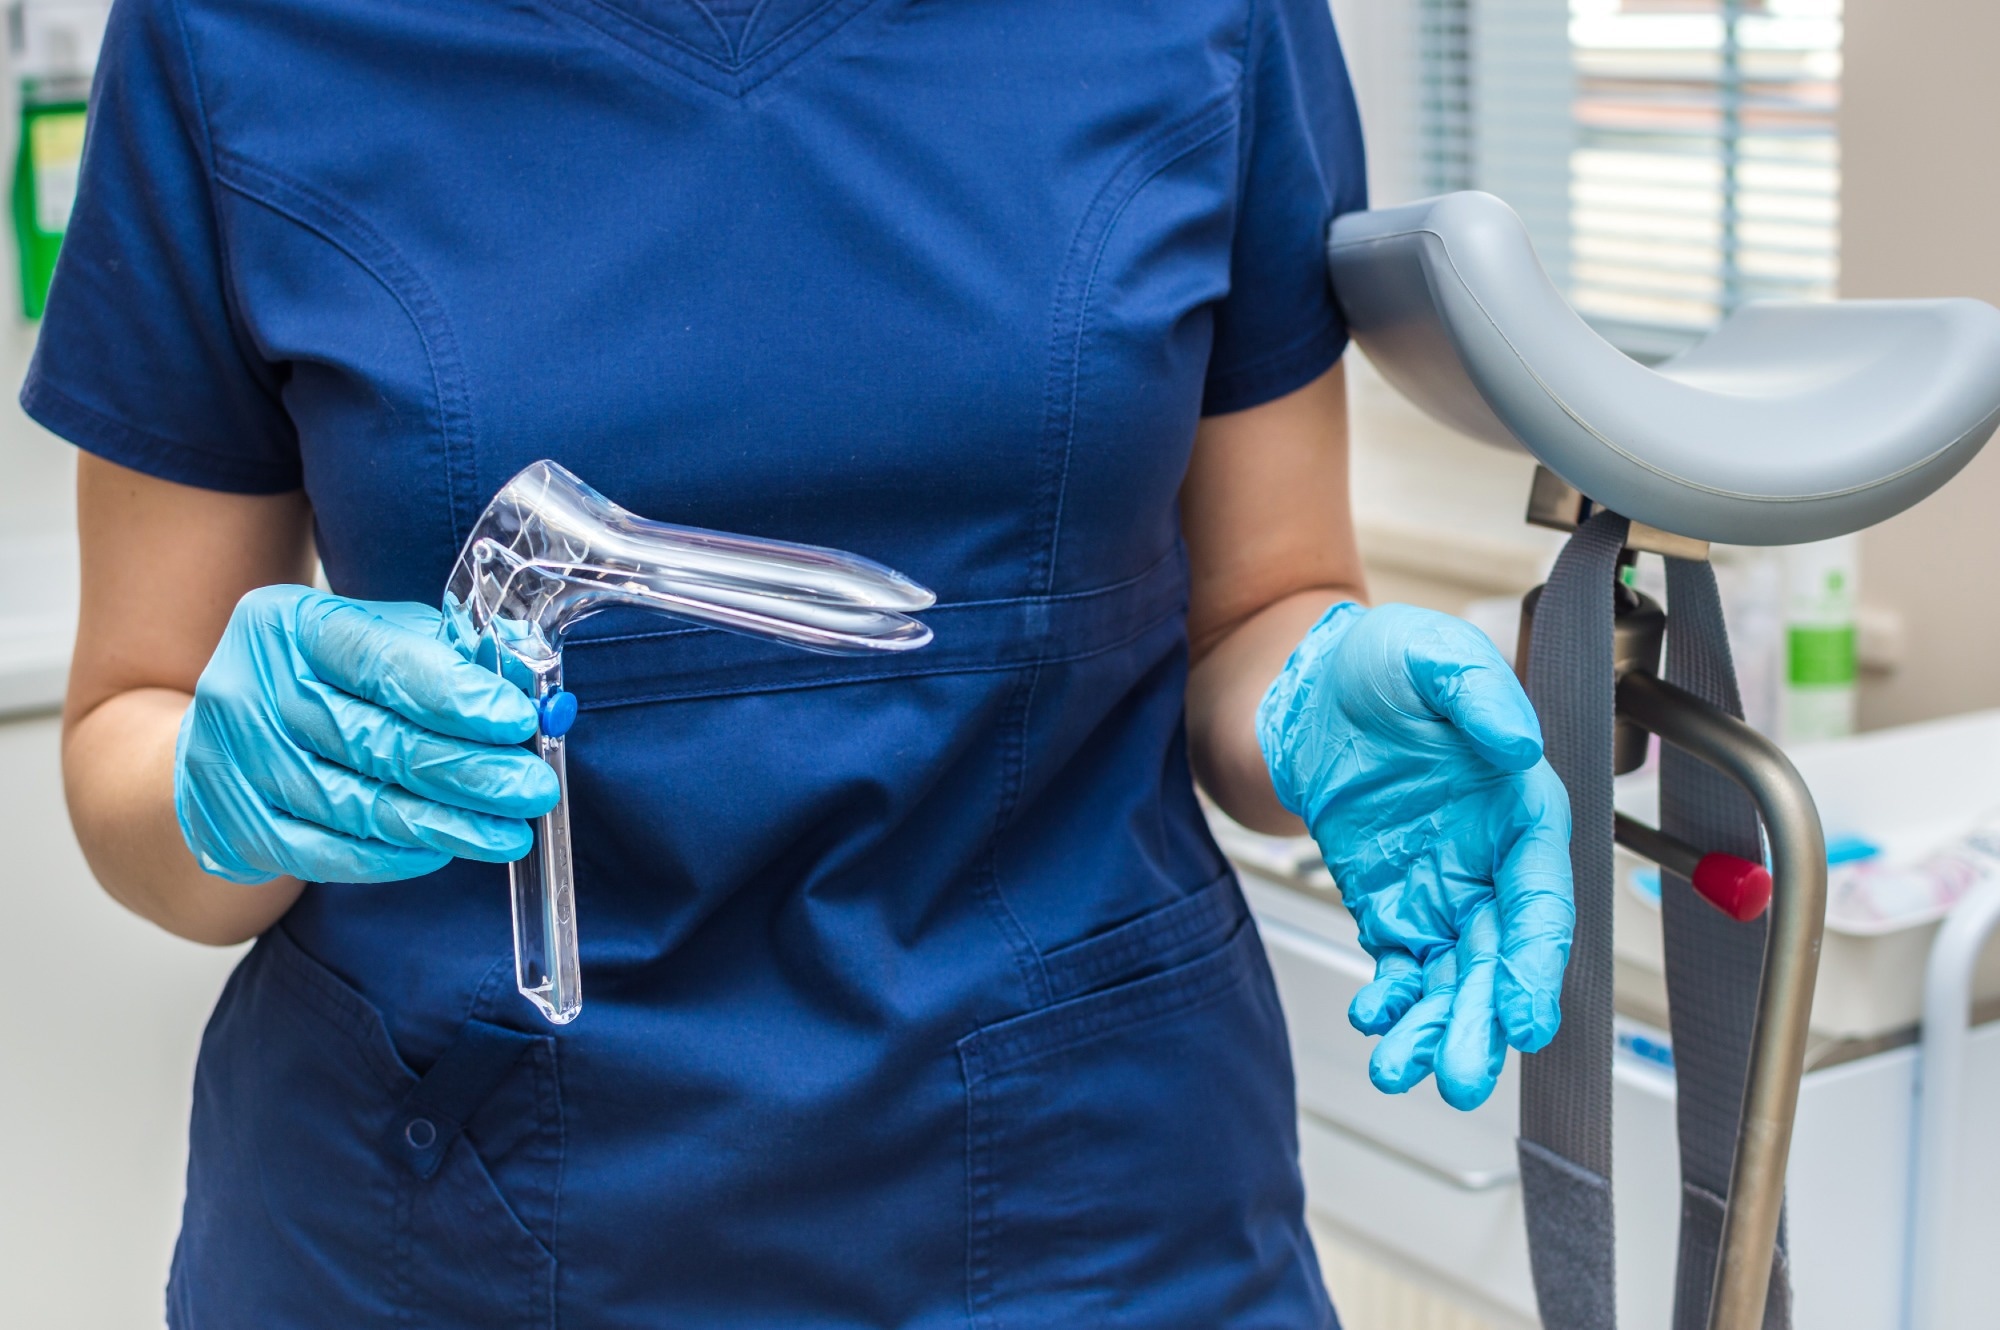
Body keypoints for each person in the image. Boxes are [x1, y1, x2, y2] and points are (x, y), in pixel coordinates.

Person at [31, 0, 1572, 1324]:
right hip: (451, 1212)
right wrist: (230, 786)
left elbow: (1270, 601)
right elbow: (128, 727)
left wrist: (1321, 698)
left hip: (1092, 1214)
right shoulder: (233, 34)